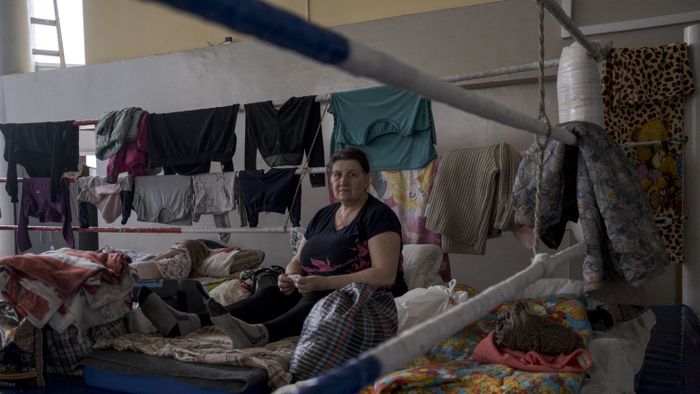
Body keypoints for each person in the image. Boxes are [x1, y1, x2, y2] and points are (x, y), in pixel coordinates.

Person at [138, 147, 407, 348]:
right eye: (337, 174)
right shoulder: (324, 215)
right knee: (271, 294)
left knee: (316, 299)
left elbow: (384, 275)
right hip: (314, 285)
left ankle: (261, 334)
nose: (343, 180)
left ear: (366, 179)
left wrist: (322, 283)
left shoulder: (378, 216)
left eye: (352, 174)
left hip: (359, 295)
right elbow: (298, 259)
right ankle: (192, 321)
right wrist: (290, 276)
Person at [130, 239, 210, 279]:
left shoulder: (183, 249)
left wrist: (147, 260)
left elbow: (161, 257)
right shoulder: (189, 269)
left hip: (150, 267)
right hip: (157, 277)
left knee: (124, 273)